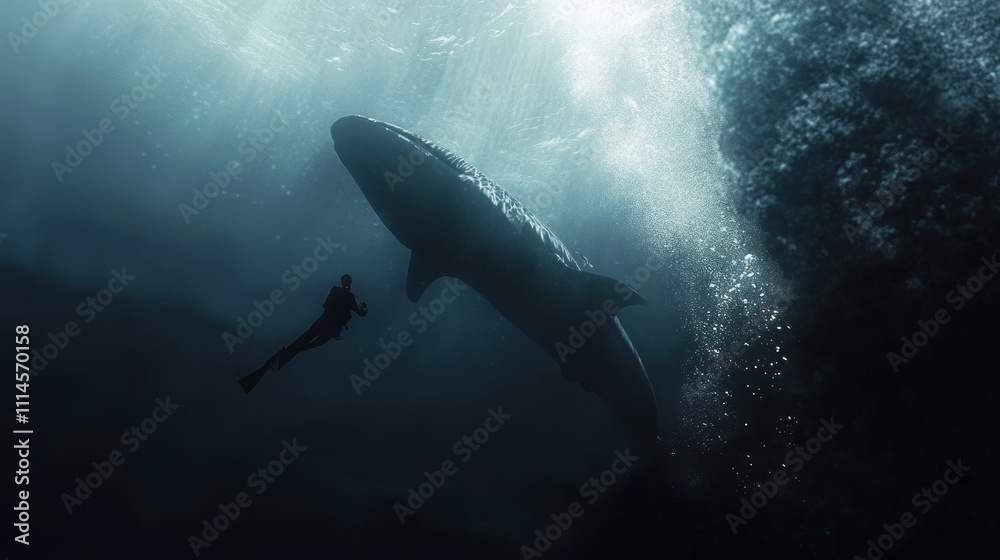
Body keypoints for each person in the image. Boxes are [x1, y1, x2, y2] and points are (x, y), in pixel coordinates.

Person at [271, 273, 368, 370]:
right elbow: (361, 313)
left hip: (323, 320)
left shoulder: (335, 291)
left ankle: (282, 358)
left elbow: (325, 305)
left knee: (304, 340)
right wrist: (364, 307)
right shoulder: (349, 296)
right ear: (350, 282)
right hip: (332, 328)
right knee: (309, 345)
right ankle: (281, 360)